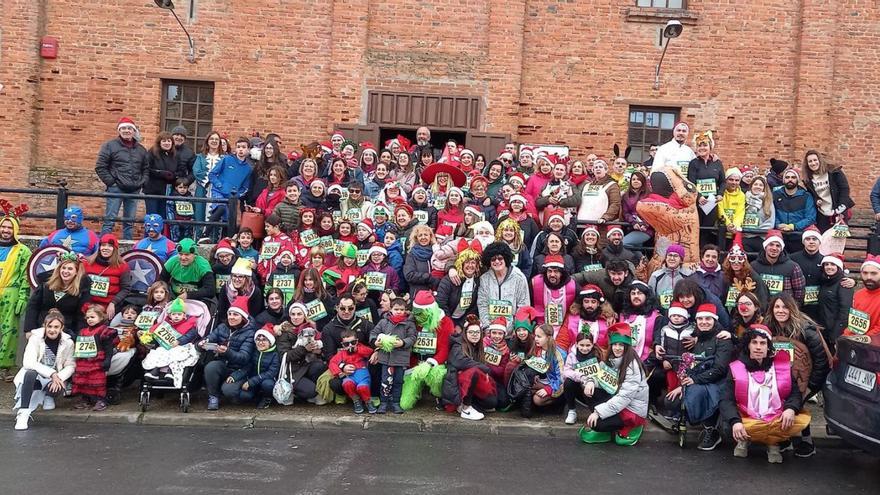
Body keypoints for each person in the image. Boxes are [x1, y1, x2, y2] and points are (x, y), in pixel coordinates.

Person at [720, 326, 810, 463]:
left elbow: (795, 393)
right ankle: (744, 439)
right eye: (754, 342)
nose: (758, 347)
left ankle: (773, 443)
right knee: (731, 425)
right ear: (748, 345)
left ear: (768, 347)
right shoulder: (736, 368)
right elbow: (726, 399)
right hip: (746, 416)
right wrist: (735, 422)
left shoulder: (781, 366)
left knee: (790, 419)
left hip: (775, 415)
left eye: (763, 343)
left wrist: (791, 409)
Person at [765, 293, 830, 457]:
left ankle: (807, 440)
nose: (781, 310)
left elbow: (821, 362)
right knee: (778, 402)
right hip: (780, 377)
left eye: (785, 307)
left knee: (798, 403)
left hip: (807, 378)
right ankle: (785, 439)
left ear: (792, 309)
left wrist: (810, 386)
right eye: (777, 307)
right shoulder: (768, 327)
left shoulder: (806, 330)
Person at [664, 303, 733, 451]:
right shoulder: (698, 339)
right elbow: (692, 365)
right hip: (699, 381)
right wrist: (682, 386)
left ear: (715, 320)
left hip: (718, 383)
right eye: (700, 319)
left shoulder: (722, 339)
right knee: (671, 400)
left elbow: (720, 369)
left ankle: (711, 429)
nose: (704, 322)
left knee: (696, 394)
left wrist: (694, 381)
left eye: (708, 318)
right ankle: (696, 420)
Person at [578, 323, 649, 446]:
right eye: (615, 344)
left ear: (627, 347)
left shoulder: (632, 366)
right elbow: (599, 377)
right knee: (589, 389)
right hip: (617, 402)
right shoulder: (610, 358)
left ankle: (632, 427)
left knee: (598, 423)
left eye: (621, 345)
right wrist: (590, 382)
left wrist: (598, 413)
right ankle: (606, 430)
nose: (617, 348)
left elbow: (624, 398)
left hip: (631, 410)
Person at [12, 310, 75, 430]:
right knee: (30, 373)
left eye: (56, 327)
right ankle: (23, 413)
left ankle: (48, 396)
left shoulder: (68, 342)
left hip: (55, 378)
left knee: (59, 385)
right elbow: (28, 362)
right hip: (38, 376)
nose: (52, 330)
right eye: (49, 326)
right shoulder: (35, 338)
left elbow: (71, 365)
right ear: (44, 326)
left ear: (62, 327)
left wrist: (59, 377)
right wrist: (52, 374)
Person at [95, 116, 149, 240]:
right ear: (119, 131)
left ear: (134, 131)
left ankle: (128, 247)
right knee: (110, 220)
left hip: (134, 189)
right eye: (123, 128)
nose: (126, 130)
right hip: (116, 189)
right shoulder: (109, 146)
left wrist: (142, 182)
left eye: (129, 128)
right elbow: (100, 166)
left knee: (129, 222)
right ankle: (103, 245)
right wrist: (112, 182)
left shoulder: (141, 150)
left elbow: (146, 168)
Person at [399, 291, 455, 410]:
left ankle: (439, 395)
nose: (418, 316)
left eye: (421, 314)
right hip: (414, 365)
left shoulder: (446, 322)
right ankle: (417, 392)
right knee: (405, 404)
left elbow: (445, 349)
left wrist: (430, 363)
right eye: (416, 313)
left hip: (435, 364)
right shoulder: (412, 320)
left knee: (436, 376)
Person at [201, 296, 256, 410]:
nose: (231, 317)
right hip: (224, 365)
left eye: (235, 315)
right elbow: (212, 336)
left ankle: (247, 393)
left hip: (241, 370)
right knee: (211, 367)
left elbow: (244, 358)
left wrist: (227, 352)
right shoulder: (222, 327)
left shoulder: (250, 333)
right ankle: (213, 396)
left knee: (229, 391)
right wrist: (204, 342)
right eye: (230, 314)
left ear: (243, 317)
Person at [440, 315, 500, 420]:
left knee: (492, 403)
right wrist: (484, 368)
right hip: (456, 382)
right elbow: (460, 362)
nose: (474, 335)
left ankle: (468, 404)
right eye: (471, 332)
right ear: (465, 333)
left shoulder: (478, 347)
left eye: (477, 332)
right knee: (475, 371)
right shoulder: (458, 344)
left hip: (472, 384)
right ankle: (465, 407)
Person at [24, 252, 92, 337]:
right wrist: (29, 329)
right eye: (63, 268)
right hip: (41, 330)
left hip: (67, 334)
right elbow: (33, 306)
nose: (66, 271)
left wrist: (78, 337)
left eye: (70, 269)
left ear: (76, 272)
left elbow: (81, 316)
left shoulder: (82, 290)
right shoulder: (46, 284)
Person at [369, 298, 417, 414]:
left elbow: (413, 337)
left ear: (406, 310)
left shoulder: (409, 323)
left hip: (401, 359)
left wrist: (403, 342)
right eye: (396, 309)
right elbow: (373, 333)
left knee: (398, 381)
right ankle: (383, 403)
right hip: (386, 358)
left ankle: (396, 403)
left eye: (402, 309)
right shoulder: (384, 322)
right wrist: (375, 342)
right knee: (385, 381)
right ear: (391, 309)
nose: (399, 312)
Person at [0, 206, 32, 380]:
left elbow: (24, 277)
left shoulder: (23, 251)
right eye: (3, 226)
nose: (5, 230)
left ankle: (5, 367)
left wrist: (22, 296)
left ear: (16, 230)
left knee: (9, 332)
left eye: (9, 227)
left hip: (10, 294)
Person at [139, 297, 200, 385]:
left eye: (179, 314)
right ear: (170, 315)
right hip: (166, 346)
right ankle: (155, 371)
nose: (176, 316)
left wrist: (179, 341)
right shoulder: (165, 325)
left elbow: (190, 335)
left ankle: (171, 372)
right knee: (158, 352)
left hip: (182, 346)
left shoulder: (189, 325)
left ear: (184, 315)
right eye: (174, 314)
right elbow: (157, 335)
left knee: (176, 355)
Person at [71, 304, 118, 412]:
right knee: (83, 380)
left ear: (101, 317)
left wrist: (107, 360)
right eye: (87, 318)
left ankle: (101, 400)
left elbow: (108, 348)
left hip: (97, 361)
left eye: (92, 317)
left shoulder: (104, 331)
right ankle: (85, 399)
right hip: (84, 361)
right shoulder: (83, 331)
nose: (89, 320)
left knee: (97, 381)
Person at [476, 242, 530, 332]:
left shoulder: (519, 278)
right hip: (490, 332)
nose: (497, 261)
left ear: (506, 258)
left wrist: (517, 328)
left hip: (512, 332)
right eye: (493, 259)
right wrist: (486, 327)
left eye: (500, 258)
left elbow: (523, 306)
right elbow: (482, 304)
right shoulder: (484, 279)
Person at [208, 137, 253, 239]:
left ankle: (226, 241)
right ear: (235, 149)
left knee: (229, 219)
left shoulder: (248, 168)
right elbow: (212, 174)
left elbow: (245, 187)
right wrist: (220, 185)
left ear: (248, 150)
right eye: (238, 147)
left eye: (243, 147)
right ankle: (204, 234)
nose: (241, 149)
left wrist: (237, 194)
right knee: (220, 208)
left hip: (232, 197)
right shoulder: (227, 159)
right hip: (218, 191)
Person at [801, 150, 854, 232]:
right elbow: (812, 195)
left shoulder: (834, 172)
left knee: (839, 238)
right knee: (823, 239)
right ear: (807, 164)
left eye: (815, 160)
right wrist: (816, 200)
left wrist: (841, 207)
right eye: (810, 161)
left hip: (839, 211)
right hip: (822, 214)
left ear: (820, 160)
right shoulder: (808, 180)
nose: (813, 163)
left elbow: (844, 188)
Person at [687, 130, 724, 245]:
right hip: (699, 203)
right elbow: (690, 183)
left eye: (705, 145)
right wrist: (699, 197)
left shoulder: (717, 163)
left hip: (712, 202)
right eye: (699, 145)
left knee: (708, 232)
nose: (702, 148)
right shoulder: (693, 163)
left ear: (710, 147)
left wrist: (720, 194)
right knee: (696, 229)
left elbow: (723, 181)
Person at [435, 240, 482, 331]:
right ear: (461, 264)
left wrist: (460, 325)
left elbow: (474, 307)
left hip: (464, 321)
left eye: (473, 262)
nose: (470, 265)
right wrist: (450, 324)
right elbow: (441, 303)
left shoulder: (478, 281)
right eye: (467, 262)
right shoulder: (449, 280)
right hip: (446, 319)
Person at [83, 233, 131, 320]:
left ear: (115, 249)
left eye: (110, 246)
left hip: (109, 307)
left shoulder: (123, 266)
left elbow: (126, 288)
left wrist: (113, 303)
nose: (106, 248)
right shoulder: (87, 263)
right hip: (88, 306)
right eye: (103, 245)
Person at [751, 230, 806, 304]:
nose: (774, 248)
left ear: (781, 249)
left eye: (778, 245)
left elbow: (800, 292)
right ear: (765, 246)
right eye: (771, 244)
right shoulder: (753, 266)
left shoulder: (793, 267)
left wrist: (791, 308)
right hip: (760, 310)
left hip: (784, 310)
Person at [329, 328, 376, 414]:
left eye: (353, 342)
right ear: (343, 345)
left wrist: (357, 349)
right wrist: (341, 370)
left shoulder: (360, 348)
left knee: (362, 387)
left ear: (357, 341)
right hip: (350, 376)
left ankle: (368, 402)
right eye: (347, 344)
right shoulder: (342, 353)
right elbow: (332, 363)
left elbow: (369, 352)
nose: (350, 345)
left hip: (363, 376)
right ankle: (356, 401)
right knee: (347, 384)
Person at [230, 329, 280, 409]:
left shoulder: (274, 354)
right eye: (258, 340)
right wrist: (235, 376)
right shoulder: (254, 352)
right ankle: (256, 396)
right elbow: (247, 367)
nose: (260, 343)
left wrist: (252, 381)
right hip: (253, 380)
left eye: (264, 340)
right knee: (244, 396)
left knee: (268, 385)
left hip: (266, 379)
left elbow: (272, 372)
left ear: (270, 342)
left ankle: (267, 398)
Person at [562, 331, 605, 424]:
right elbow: (566, 371)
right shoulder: (572, 356)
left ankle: (597, 411)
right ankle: (572, 410)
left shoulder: (598, 355)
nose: (584, 348)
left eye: (588, 345)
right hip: (578, 387)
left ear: (592, 344)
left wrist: (591, 381)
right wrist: (580, 376)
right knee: (568, 382)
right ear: (576, 344)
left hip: (593, 388)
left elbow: (603, 372)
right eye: (581, 345)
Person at [815, 253, 853, 349]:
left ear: (838, 267)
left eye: (832, 264)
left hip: (834, 332)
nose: (829, 267)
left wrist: (835, 333)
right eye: (826, 264)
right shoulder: (824, 281)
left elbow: (845, 311)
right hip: (823, 329)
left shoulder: (843, 284)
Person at [531, 254, 577, 335]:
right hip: (540, 326)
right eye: (549, 271)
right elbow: (529, 305)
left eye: (556, 271)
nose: (552, 275)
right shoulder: (535, 282)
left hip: (564, 328)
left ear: (561, 273)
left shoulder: (572, 285)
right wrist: (534, 325)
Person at [772, 168, 816, 251]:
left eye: (793, 177)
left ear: (797, 180)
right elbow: (772, 213)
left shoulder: (806, 196)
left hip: (799, 236)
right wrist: (778, 224)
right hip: (780, 236)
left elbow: (811, 218)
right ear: (783, 179)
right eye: (787, 177)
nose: (790, 180)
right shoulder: (775, 195)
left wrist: (794, 226)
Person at [566, 159, 621, 225]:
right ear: (593, 171)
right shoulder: (586, 185)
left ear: (606, 170)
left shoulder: (612, 185)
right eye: (595, 167)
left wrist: (605, 217)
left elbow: (615, 204)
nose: (598, 169)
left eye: (600, 167)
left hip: (599, 224)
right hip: (581, 223)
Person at [159, 238, 216, 303]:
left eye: (187, 254)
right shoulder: (171, 262)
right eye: (180, 254)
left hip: (198, 301)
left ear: (194, 255)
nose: (183, 258)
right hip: (175, 299)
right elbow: (161, 282)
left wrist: (188, 295)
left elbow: (210, 290)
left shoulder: (203, 265)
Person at [193, 131, 225, 236]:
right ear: (207, 141)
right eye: (212, 139)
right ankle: (198, 239)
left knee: (216, 214)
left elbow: (225, 174)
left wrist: (217, 182)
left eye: (216, 139)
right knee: (200, 213)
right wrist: (211, 178)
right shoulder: (200, 157)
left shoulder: (224, 158)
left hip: (218, 191)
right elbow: (196, 171)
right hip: (203, 189)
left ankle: (214, 241)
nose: (214, 141)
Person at [647, 243, 693, 311]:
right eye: (669, 255)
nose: (672, 258)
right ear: (666, 258)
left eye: (676, 256)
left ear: (681, 260)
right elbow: (650, 297)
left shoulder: (689, 275)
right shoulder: (656, 276)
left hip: (683, 313)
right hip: (661, 313)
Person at [843, 254, 880, 337]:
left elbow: (878, 331)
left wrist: (858, 340)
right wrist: (845, 336)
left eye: (874, 273)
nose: (868, 277)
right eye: (865, 273)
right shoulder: (858, 295)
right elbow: (853, 325)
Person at [143, 131, 179, 217]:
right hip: (152, 190)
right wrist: (161, 173)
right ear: (159, 142)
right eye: (164, 141)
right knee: (153, 216)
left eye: (169, 141)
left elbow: (180, 170)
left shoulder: (174, 155)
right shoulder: (152, 153)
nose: (166, 143)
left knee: (164, 216)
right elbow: (146, 168)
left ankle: (162, 231)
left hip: (167, 191)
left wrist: (174, 175)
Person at [742, 175, 776, 253]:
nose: (758, 187)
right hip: (745, 236)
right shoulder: (744, 199)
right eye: (755, 184)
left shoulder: (768, 202)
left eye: (761, 185)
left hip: (761, 237)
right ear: (751, 186)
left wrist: (756, 231)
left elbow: (770, 222)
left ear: (764, 188)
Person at [621, 171, 654, 248]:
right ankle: (641, 260)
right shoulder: (626, 196)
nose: (635, 181)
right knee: (636, 249)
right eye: (633, 179)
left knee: (622, 244)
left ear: (643, 181)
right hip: (632, 227)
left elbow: (652, 213)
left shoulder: (649, 195)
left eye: (638, 179)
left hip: (646, 229)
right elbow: (626, 213)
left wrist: (645, 224)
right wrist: (633, 222)